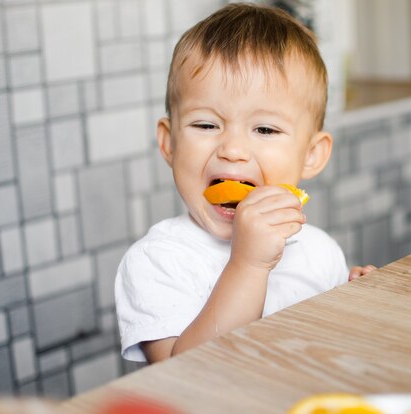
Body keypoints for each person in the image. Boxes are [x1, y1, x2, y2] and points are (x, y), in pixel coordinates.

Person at [115, 3, 375, 364]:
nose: (233, 150)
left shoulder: (321, 251)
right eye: (206, 125)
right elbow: (185, 376)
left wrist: (360, 308)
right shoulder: (157, 261)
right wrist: (248, 264)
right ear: (169, 142)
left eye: (265, 129)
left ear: (311, 155)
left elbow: (327, 355)